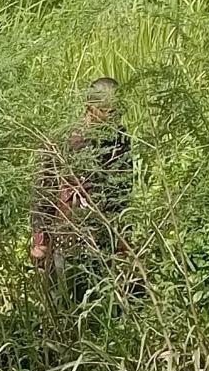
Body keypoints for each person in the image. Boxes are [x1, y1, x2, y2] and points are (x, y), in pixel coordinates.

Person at [29, 77, 134, 285]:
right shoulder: (66, 139)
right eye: (109, 112)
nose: (114, 119)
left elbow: (123, 188)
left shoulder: (120, 139)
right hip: (67, 234)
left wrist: (123, 237)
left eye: (118, 112)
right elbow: (44, 189)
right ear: (90, 108)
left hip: (104, 237)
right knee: (66, 299)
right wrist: (40, 240)